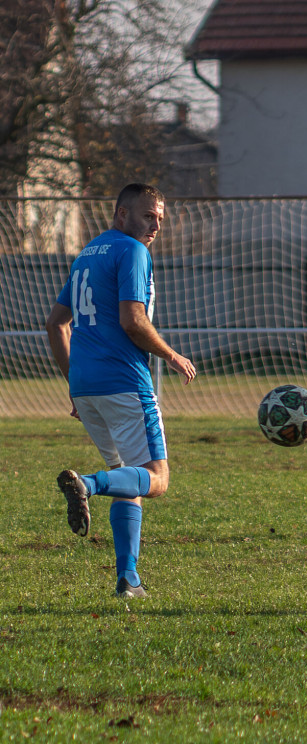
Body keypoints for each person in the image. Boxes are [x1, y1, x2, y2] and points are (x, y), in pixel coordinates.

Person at [46, 183, 196, 599]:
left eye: (160, 218)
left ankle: (128, 580)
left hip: (87, 387)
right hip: (125, 382)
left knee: (128, 479)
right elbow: (133, 320)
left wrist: (74, 384)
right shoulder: (132, 251)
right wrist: (171, 355)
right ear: (122, 214)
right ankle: (87, 484)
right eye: (148, 216)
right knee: (157, 479)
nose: (155, 226)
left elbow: (56, 323)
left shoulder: (87, 254)